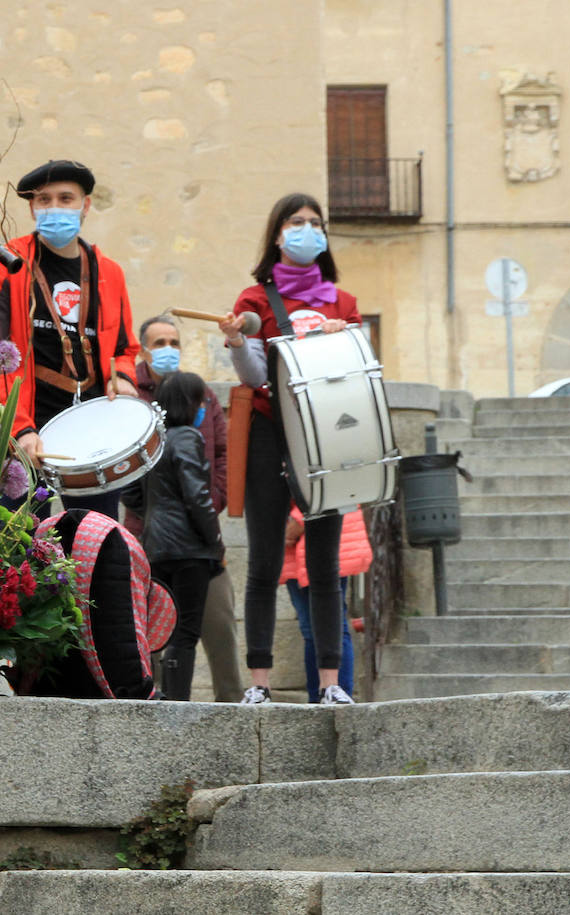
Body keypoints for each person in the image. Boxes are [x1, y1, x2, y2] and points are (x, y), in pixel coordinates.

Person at [218, 192, 361, 706]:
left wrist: (343, 339)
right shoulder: (255, 300)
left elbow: (356, 378)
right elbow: (256, 376)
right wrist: (236, 344)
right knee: (262, 560)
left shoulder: (343, 304)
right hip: (268, 433)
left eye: (315, 223)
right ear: (277, 235)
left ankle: (329, 684)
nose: (307, 230)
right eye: (296, 222)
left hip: (327, 437)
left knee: (325, 566)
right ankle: (259, 683)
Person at [0, 158, 139, 519]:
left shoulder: (109, 272)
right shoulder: (5, 264)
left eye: (66, 198)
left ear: (85, 206)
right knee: (25, 552)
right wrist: (20, 430)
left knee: (99, 538)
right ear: (32, 208)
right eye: (44, 200)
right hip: (29, 431)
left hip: (94, 431)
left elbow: (125, 349)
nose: (55, 208)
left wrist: (123, 377)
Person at [128, 314, 243, 701]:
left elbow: (223, 455)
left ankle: (205, 704)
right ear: (142, 349)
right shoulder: (131, 398)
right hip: (190, 541)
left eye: (174, 342)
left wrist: (213, 501)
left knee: (217, 627)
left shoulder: (202, 394)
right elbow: (133, 477)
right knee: (172, 631)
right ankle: (174, 705)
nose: (168, 351)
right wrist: (204, 527)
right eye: (159, 343)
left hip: (167, 537)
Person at [120, 372, 224, 700]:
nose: (203, 408)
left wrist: (153, 513)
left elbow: (130, 491)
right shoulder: (188, 437)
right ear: (190, 404)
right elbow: (198, 496)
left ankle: (162, 693)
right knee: (186, 631)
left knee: (161, 628)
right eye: (200, 401)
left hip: (156, 546)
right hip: (191, 549)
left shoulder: (153, 441)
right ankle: (179, 700)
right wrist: (215, 541)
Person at [281, 506, 372, 702]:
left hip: (327, 527)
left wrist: (298, 519)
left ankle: (338, 695)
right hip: (291, 542)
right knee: (310, 629)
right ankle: (318, 700)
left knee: (332, 625)